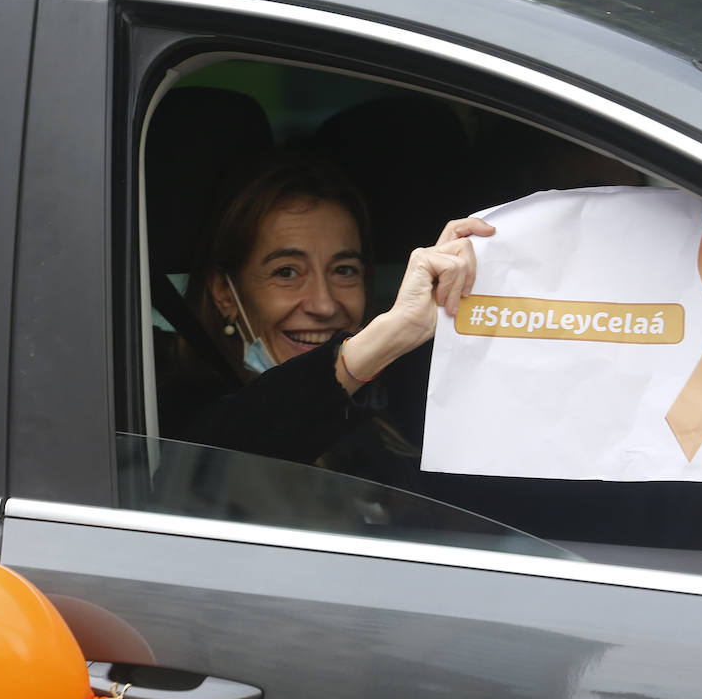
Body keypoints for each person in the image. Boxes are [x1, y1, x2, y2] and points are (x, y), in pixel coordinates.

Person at [157, 152, 493, 479]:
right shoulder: (161, 404)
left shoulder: (397, 406)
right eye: (287, 272)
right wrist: (395, 332)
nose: (325, 305)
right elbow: (216, 465)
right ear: (225, 293)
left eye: (344, 270)